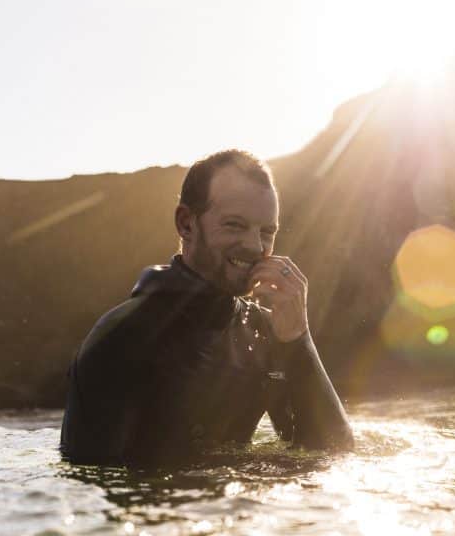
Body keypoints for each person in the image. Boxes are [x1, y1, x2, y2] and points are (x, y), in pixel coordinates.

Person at [60, 150, 353, 465]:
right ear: (186, 224)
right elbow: (96, 484)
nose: (255, 247)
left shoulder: (263, 332)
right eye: (234, 225)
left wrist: (298, 339)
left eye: (267, 232)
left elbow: (330, 453)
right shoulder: (121, 338)